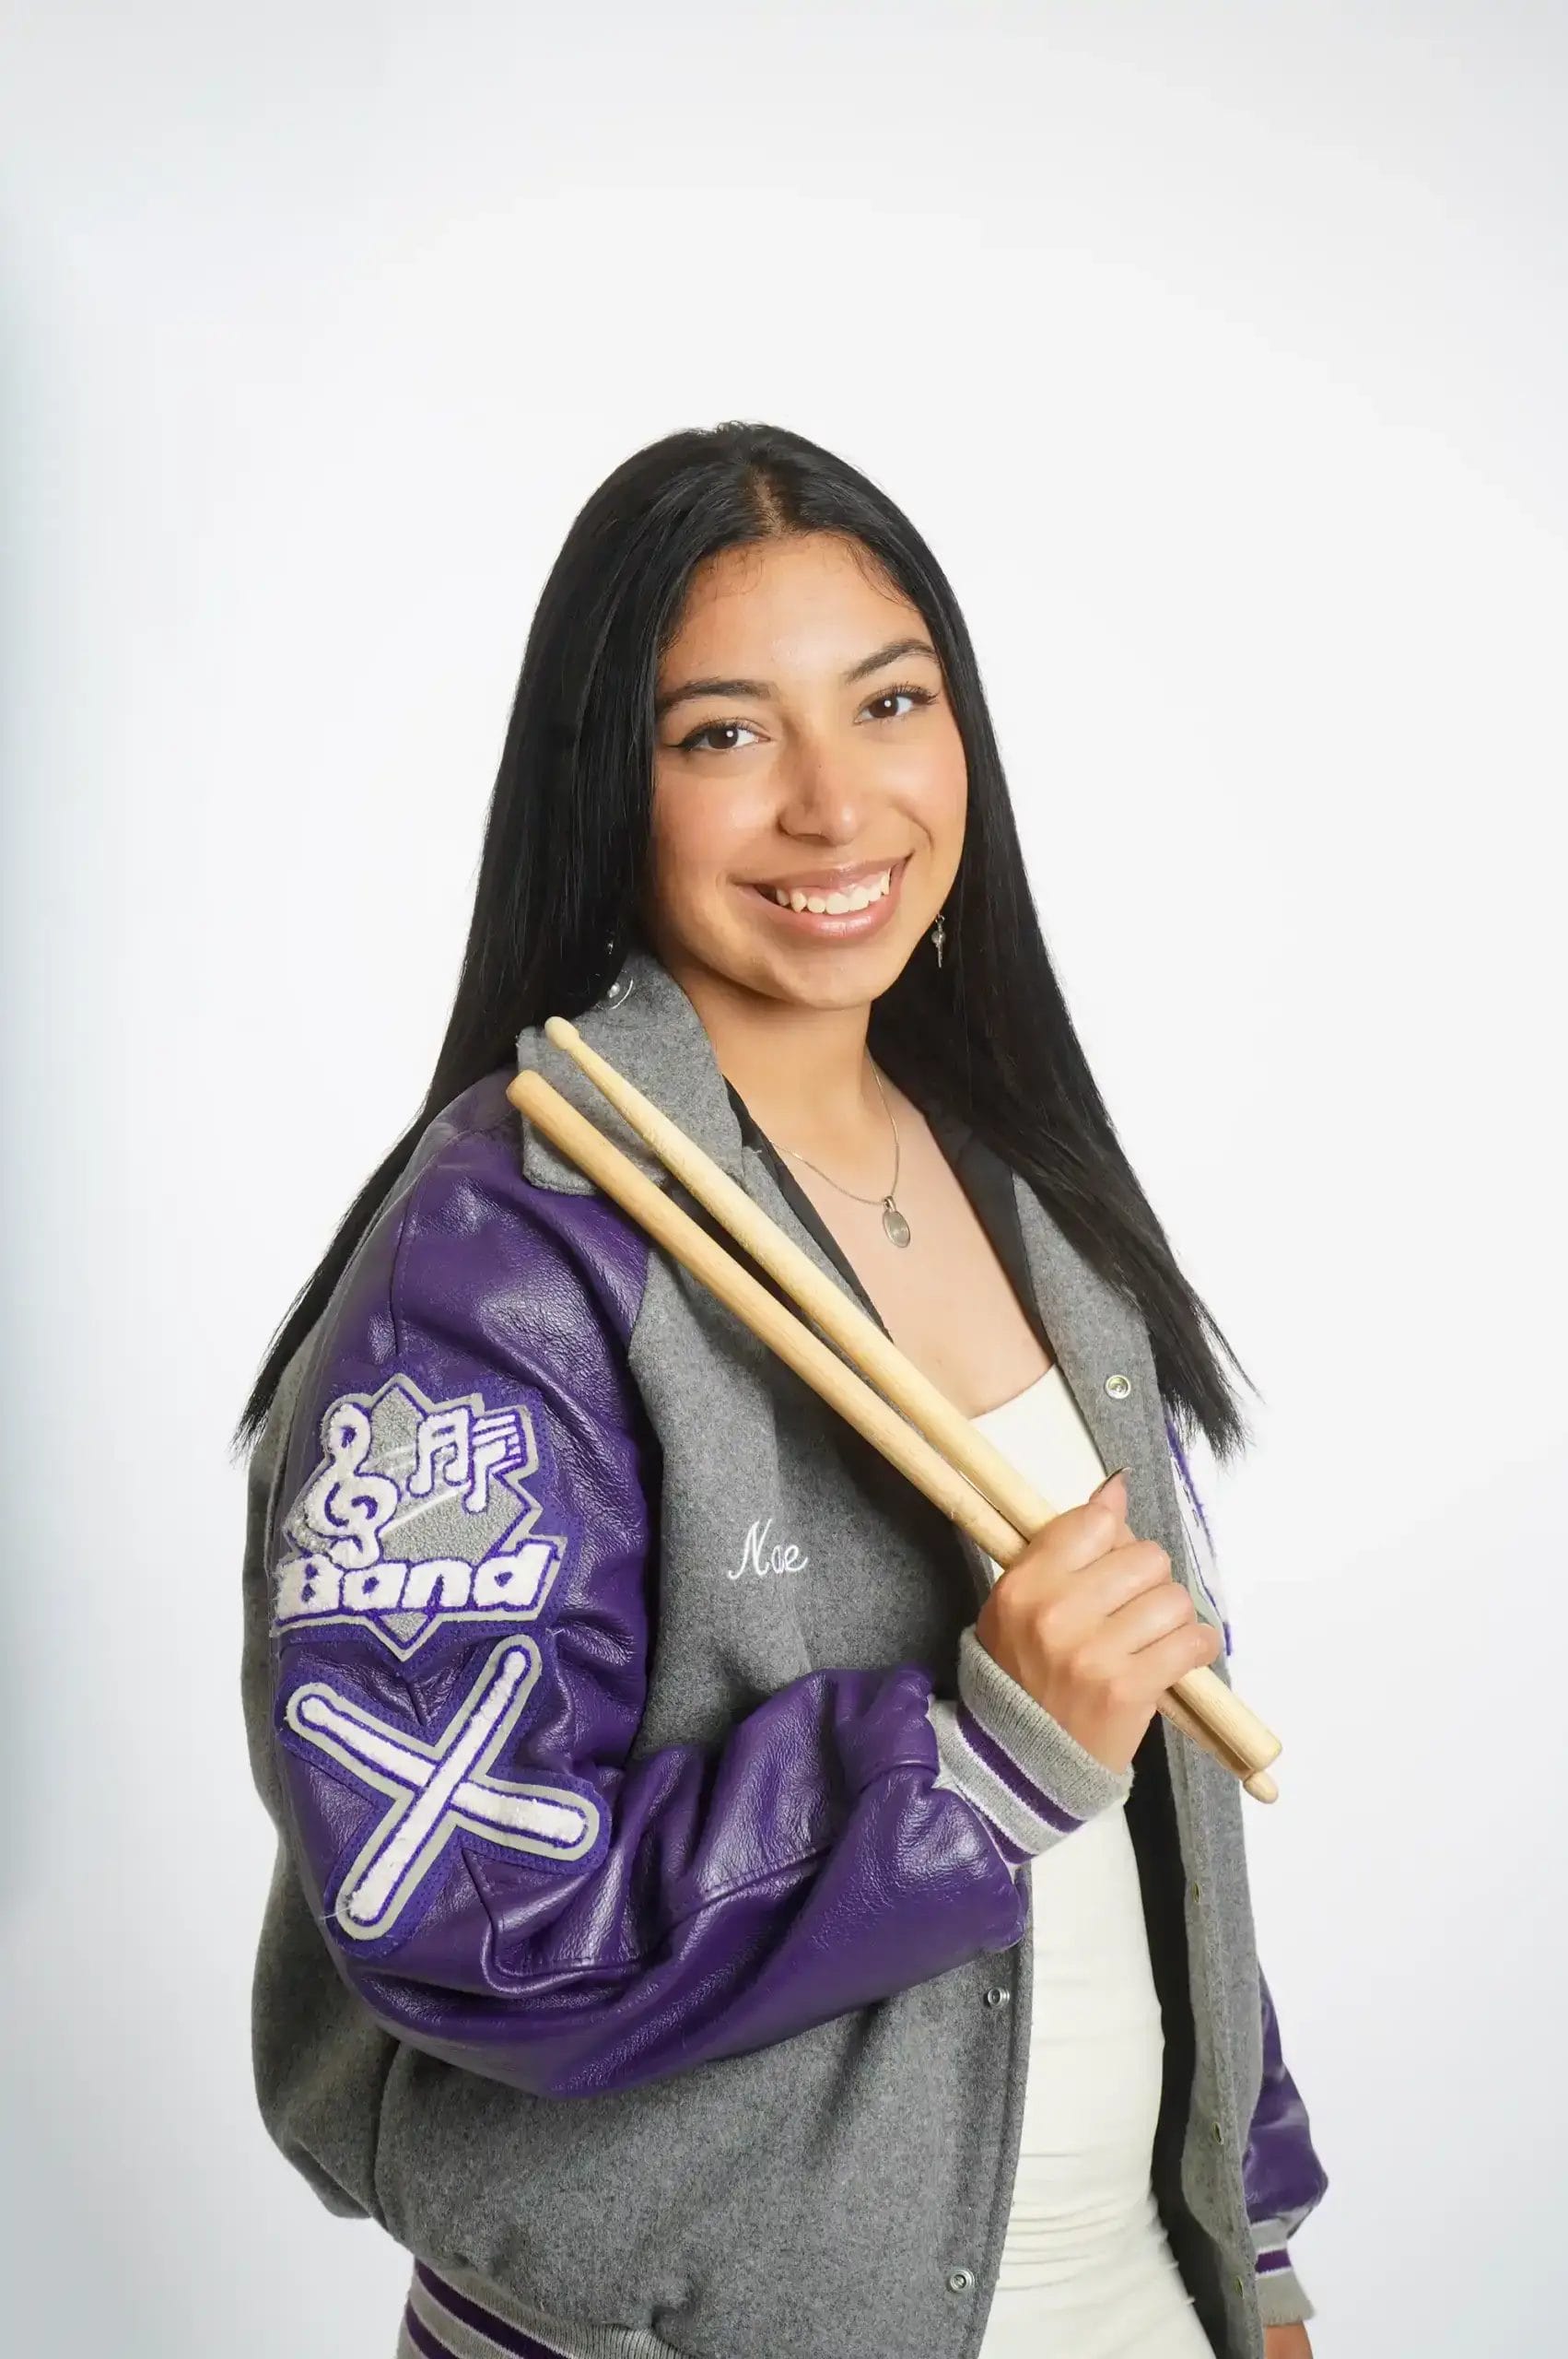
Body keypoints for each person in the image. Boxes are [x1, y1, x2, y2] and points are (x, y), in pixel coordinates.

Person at [235, 420, 1328, 2359]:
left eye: (887, 701)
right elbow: (450, 1893)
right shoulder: (508, 1247)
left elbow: (1161, 1803)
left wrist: (1249, 2247)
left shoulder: (1026, 1180)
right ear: (608, 788)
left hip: (1134, 2302)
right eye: (724, 734)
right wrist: (970, 1766)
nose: (835, 806)